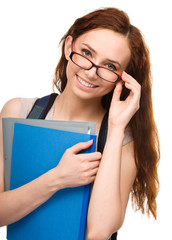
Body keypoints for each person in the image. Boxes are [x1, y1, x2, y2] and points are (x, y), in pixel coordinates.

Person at [0, 7, 160, 240]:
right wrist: (58, 178)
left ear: (123, 78)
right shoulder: (20, 112)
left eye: (110, 66)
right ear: (69, 47)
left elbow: (99, 232)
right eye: (86, 53)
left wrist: (115, 128)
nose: (92, 72)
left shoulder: (123, 139)